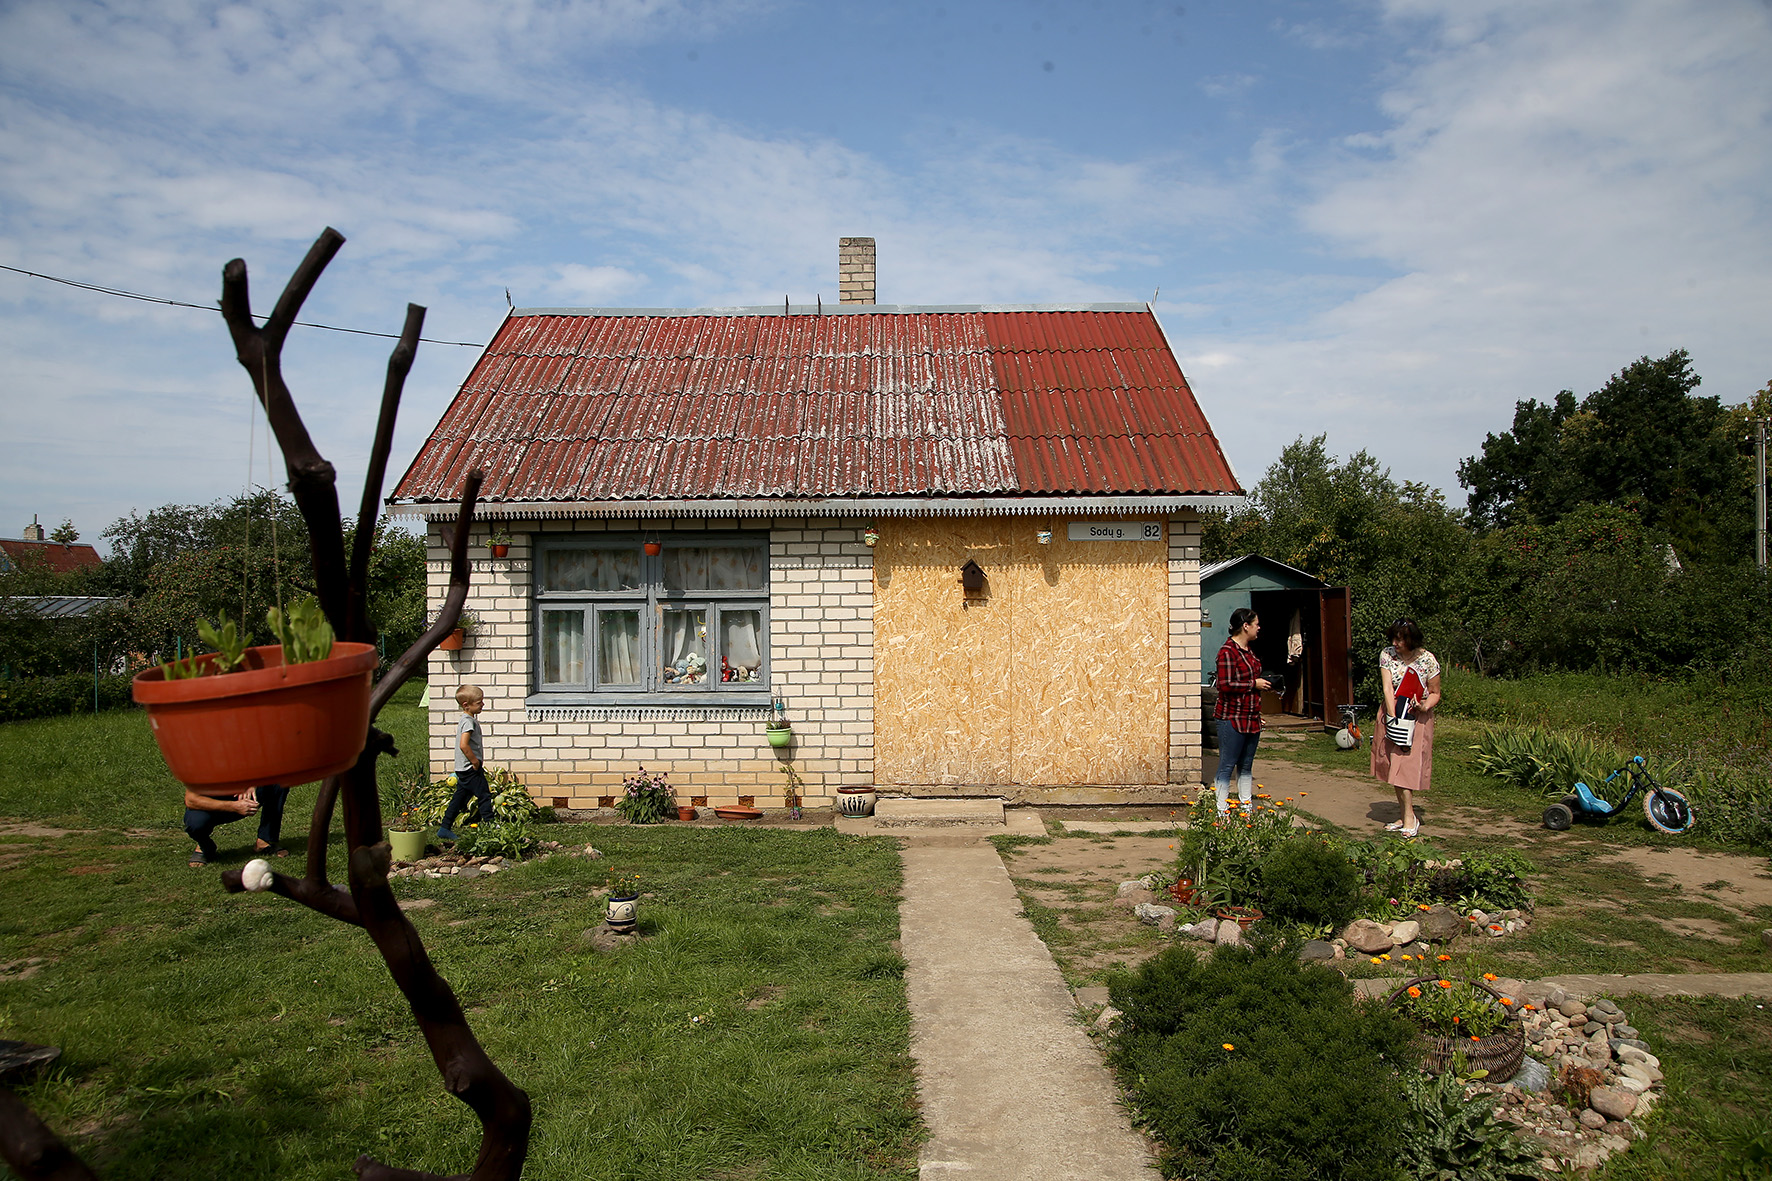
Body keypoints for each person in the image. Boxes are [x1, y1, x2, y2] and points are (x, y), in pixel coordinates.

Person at [1372, 617, 1442, 837]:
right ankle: (1404, 814)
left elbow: (1435, 692)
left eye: (1400, 639)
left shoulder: (1428, 660)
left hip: (1417, 717)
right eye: (1393, 637)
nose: (1395, 642)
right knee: (1394, 765)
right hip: (1393, 713)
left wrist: (1424, 705)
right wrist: (1393, 718)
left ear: (1412, 639)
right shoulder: (1387, 654)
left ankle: (1410, 818)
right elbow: (1386, 687)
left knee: (1406, 767)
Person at [1212, 607, 1272, 816]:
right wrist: (1253, 684)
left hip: (1250, 717)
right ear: (1245, 626)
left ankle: (1246, 807)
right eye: (1256, 624)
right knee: (1227, 765)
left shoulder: (1249, 652)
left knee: (1246, 766)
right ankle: (1221, 810)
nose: (1258, 627)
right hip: (1231, 717)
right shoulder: (1227, 652)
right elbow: (1225, 684)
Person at [437, 683, 493, 840]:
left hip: (463, 768)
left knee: (460, 798)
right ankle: (491, 828)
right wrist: (475, 762)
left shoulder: (465, 719)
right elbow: (464, 744)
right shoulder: (468, 721)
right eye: (479, 702)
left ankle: (445, 827)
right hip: (470, 768)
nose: (483, 704)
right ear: (466, 705)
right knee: (484, 795)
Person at [185, 784, 289, 867]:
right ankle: (205, 846)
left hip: (241, 793)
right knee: (196, 824)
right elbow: (191, 800)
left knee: (279, 782)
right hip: (212, 805)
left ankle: (265, 840)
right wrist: (234, 806)